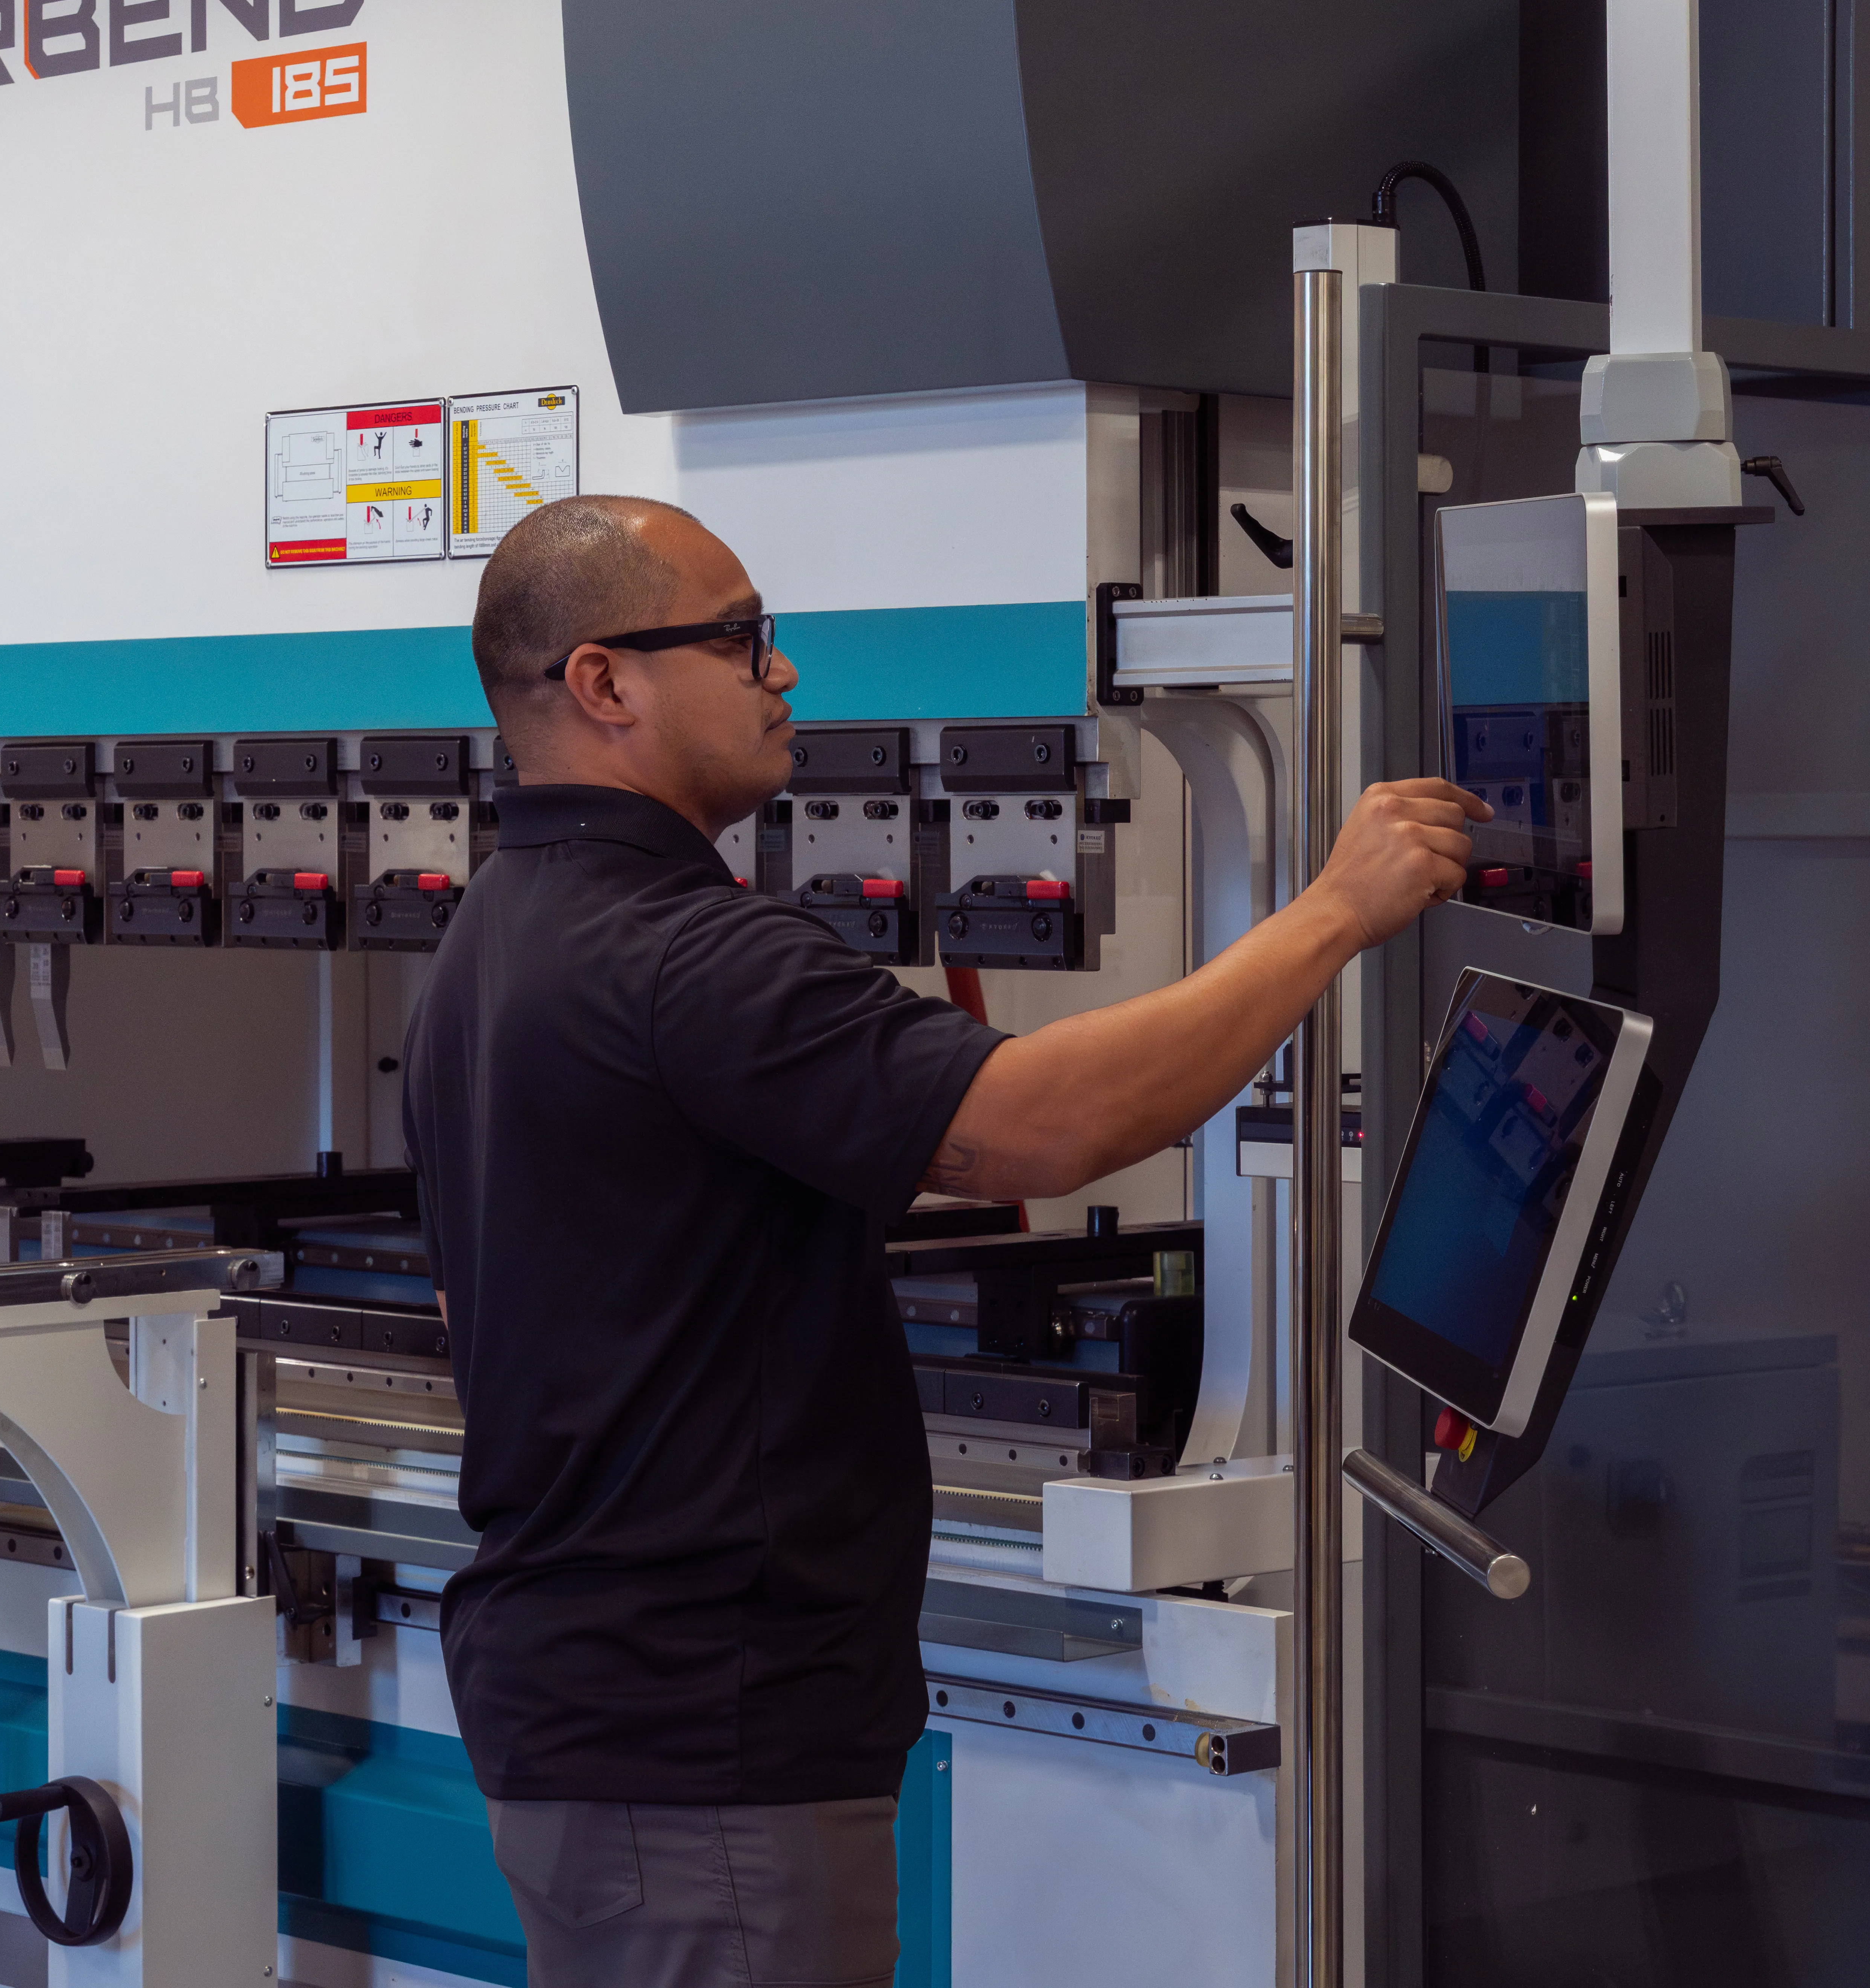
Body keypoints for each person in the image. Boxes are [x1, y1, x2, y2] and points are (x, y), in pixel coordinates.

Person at [400, 495, 1483, 1988]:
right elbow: (1024, 1127)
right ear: (604, 681)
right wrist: (1332, 913)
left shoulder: (500, 926)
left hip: (610, 1706)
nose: (783, 675)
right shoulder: (676, 951)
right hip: (699, 1734)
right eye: (740, 637)